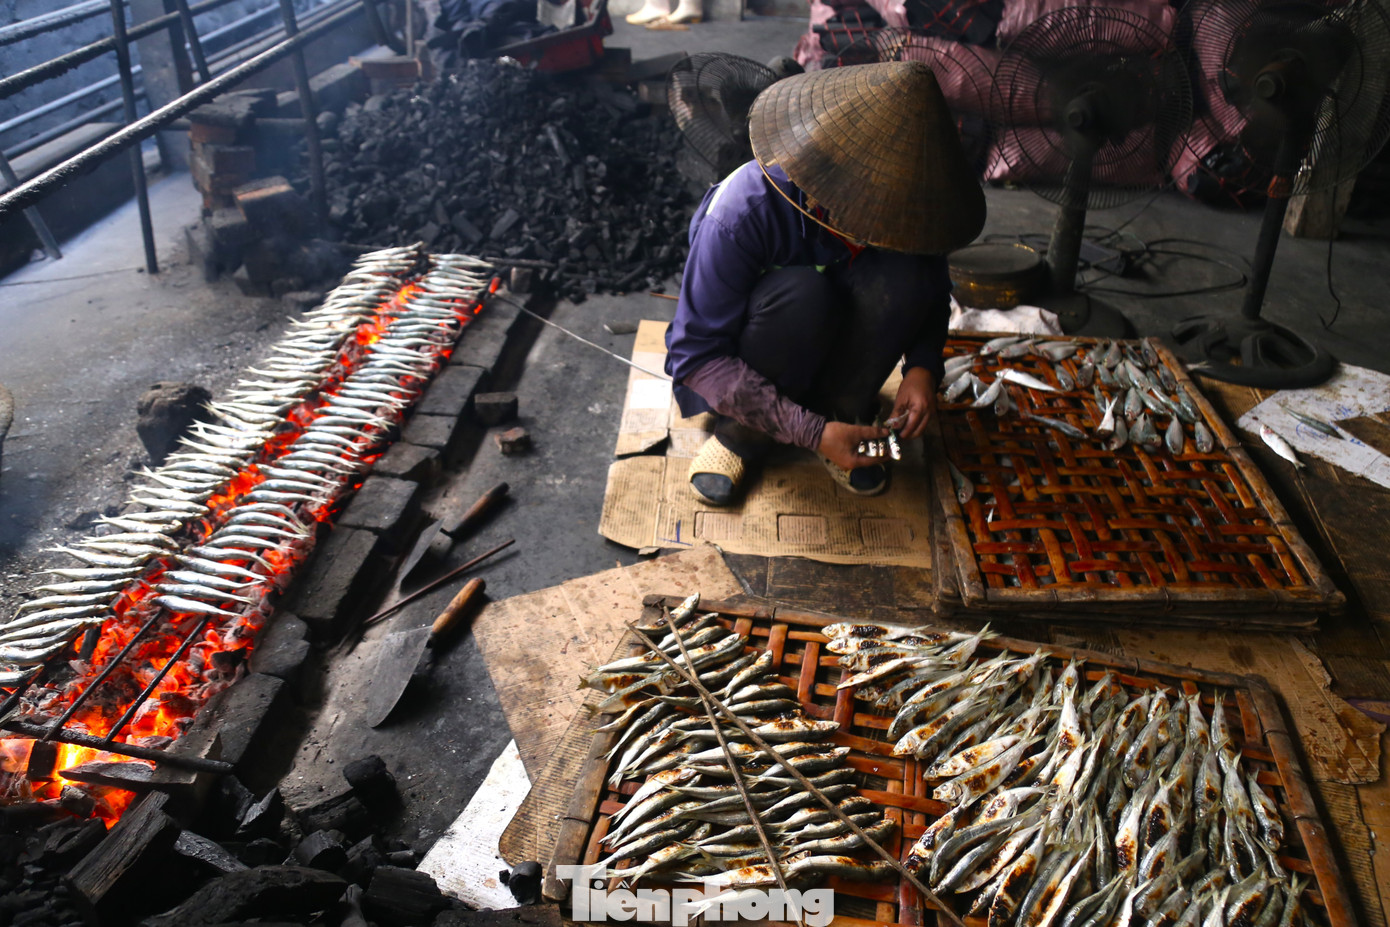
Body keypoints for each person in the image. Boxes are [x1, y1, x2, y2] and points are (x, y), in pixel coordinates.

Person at [664, 61, 986, 506]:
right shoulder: (741, 213)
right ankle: (743, 436)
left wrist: (923, 366)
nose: (885, 228)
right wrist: (810, 433)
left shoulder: (910, 209)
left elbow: (930, 289)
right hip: (763, 349)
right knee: (803, 296)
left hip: (836, 354)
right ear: (824, 191)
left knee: (909, 276)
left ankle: (844, 414)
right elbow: (697, 357)